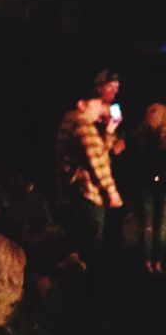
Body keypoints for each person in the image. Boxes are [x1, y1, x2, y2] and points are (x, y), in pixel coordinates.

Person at [54, 91, 123, 268]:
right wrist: (112, 193)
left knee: (76, 247)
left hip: (73, 193)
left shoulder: (70, 120)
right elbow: (98, 161)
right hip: (88, 194)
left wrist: (108, 132)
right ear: (82, 104)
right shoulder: (82, 124)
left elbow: (97, 151)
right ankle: (90, 287)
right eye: (97, 104)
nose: (100, 109)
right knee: (91, 249)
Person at [131, 103, 166, 274]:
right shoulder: (145, 134)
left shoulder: (148, 134)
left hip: (153, 183)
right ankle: (152, 261)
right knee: (154, 224)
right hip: (151, 183)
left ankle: (152, 261)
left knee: (153, 224)